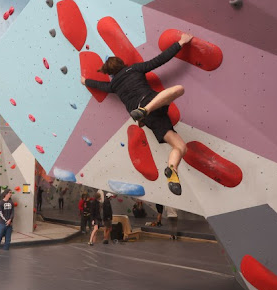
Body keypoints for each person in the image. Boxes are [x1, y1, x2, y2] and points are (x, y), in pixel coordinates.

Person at [82, 32, 194, 196]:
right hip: (148, 105)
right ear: (121, 64)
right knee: (179, 89)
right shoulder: (134, 68)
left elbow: (99, 85)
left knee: (181, 147)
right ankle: (145, 109)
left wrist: (85, 81)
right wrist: (180, 43)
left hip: (149, 119)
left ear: (110, 72)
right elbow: (160, 60)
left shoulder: (113, 85)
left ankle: (173, 170)